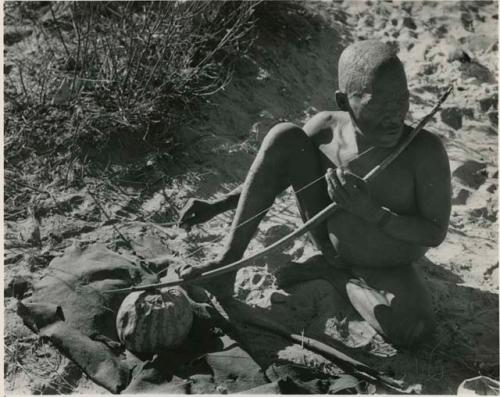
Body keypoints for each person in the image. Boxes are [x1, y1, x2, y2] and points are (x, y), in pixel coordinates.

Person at [177, 40, 451, 347]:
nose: (394, 116)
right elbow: (275, 172)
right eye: (379, 104)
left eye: (402, 100)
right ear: (344, 101)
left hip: (388, 263)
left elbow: (434, 231)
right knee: (284, 136)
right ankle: (228, 263)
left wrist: (374, 214)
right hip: (329, 240)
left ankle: (337, 276)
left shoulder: (425, 151)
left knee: (415, 330)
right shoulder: (326, 128)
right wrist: (218, 205)